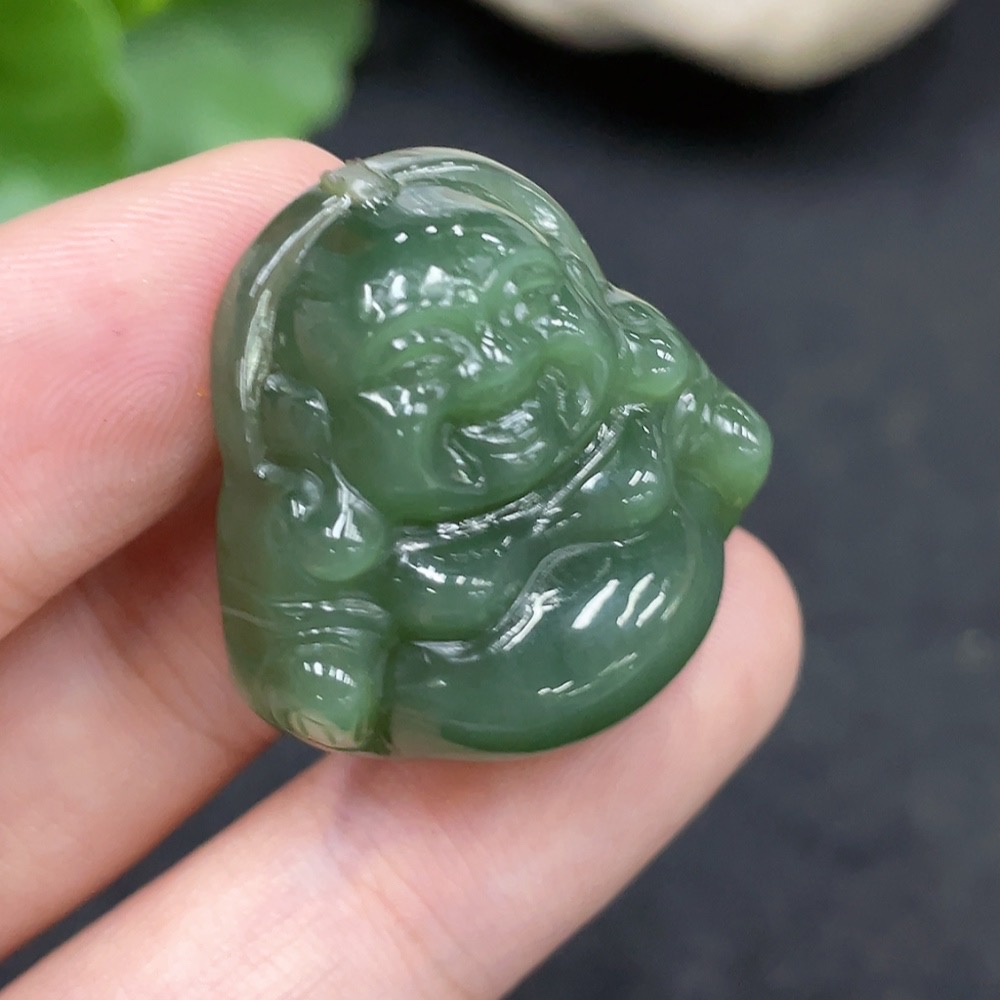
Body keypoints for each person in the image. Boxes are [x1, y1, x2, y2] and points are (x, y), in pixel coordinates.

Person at [0, 140, 802, 999]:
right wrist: (323, 674)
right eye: (418, 366)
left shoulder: (625, 399)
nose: (498, 370)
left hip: (655, 562)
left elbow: (700, 420)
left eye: (531, 307)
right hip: (470, 678)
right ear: (322, 423)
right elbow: (308, 624)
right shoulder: (332, 517)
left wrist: (715, 438)